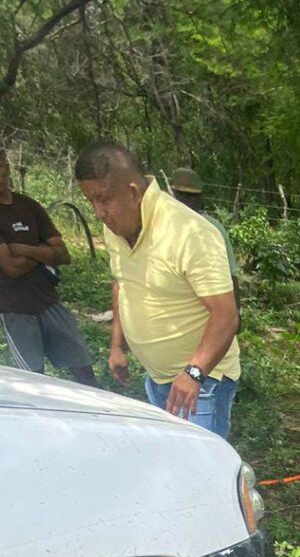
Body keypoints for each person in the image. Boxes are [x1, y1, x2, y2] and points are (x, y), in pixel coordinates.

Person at [74, 141, 240, 439]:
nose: (98, 212)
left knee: (201, 469)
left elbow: (226, 316)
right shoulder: (115, 227)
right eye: (90, 201)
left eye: (104, 199)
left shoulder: (190, 232)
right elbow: (123, 284)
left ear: (134, 192)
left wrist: (193, 373)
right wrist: (117, 346)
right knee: (174, 461)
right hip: (159, 378)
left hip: (202, 383)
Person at [0, 139, 97, 387]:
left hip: (48, 300)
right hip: (16, 308)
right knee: (34, 382)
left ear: (6, 166)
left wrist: (22, 249)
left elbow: (64, 254)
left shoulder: (29, 205)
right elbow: (11, 268)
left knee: (84, 372)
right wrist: (44, 252)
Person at [169, 167, 241, 325]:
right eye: (181, 196)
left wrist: (236, 313)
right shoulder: (161, 228)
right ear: (171, 196)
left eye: (191, 196)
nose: (186, 202)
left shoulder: (214, 228)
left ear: (200, 197)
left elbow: (231, 274)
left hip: (207, 313)